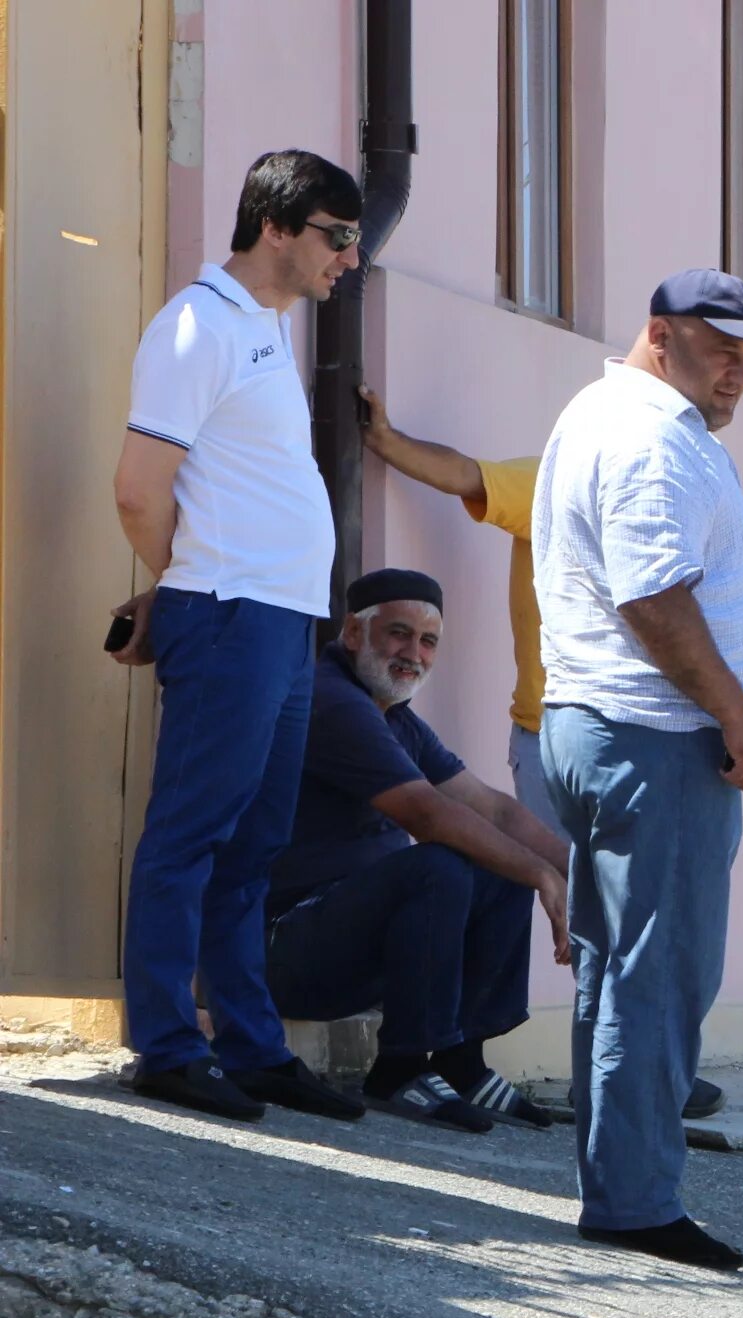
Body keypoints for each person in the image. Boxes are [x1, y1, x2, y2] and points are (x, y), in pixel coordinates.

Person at [354, 389, 725, 1121]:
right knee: (590, 903)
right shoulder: (553, 480)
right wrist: (389, 442)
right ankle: (620, 1079)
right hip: (558, 738)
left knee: (641, 908)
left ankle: (640, 1071)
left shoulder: (668, 509)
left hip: (648, 740)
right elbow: (467, 475)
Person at [108, 150, 371, 1125]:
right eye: (338, 237)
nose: (350, 258)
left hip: (279, 622)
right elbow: (141, 488)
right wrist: (179, 588)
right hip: (229, 615)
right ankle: (167, 1045)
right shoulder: (195, 327)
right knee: (192, 834)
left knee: (255, 844)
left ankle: (250, 1048)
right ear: (278, 227)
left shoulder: (262, 329)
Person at [534, 270, 743, 1272]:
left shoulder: (620, 418)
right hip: (654, 739)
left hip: (614, 730)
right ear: (658, 335)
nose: (738, 371)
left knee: (621, 969)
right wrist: (742, 722)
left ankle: (624, 1184)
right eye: (720, 348)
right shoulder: (650, 439)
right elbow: (656, 601)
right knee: (657, 972)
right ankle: (636, 1202)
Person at [264, 569, 574, 1133]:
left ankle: (461, 1064)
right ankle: (398, 1069)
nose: (414, 653)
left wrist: (578, 876)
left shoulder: (394, 717)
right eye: (398, 634)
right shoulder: (332, 700)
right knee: (441, 864)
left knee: (496, 863)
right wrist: (540, 874)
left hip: (356, 943)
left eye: (428, 641)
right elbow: (426, 815)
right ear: (354, 634)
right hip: (290, 943)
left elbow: (493, 810)